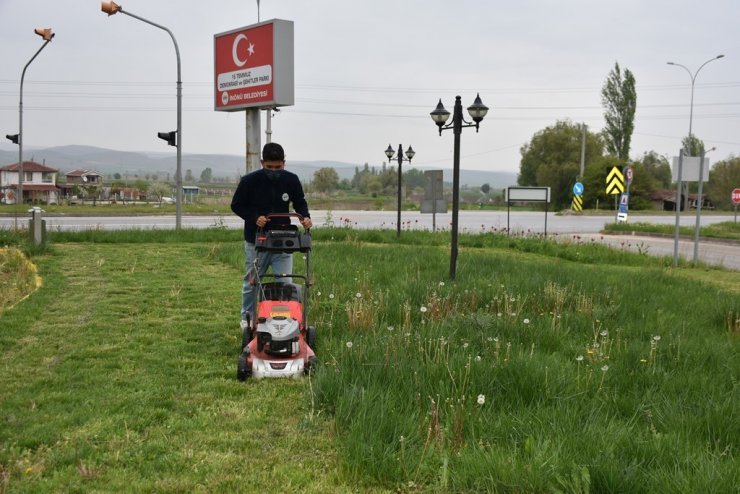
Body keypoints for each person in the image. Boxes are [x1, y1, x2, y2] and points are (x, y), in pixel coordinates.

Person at [231, 142, 312, 330]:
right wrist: (254, 217)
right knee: (252, 281)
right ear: (262, 163)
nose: (274, 171)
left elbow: (300, 202)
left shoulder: (291, 180)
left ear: (284, 163)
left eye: (278, 167)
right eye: (269, 167)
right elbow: (236, 205)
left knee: (284, 281)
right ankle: (247, 319)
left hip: (283, 239)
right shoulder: (249, 181)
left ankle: (284, 321)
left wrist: (305, 218)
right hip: (256, 240)